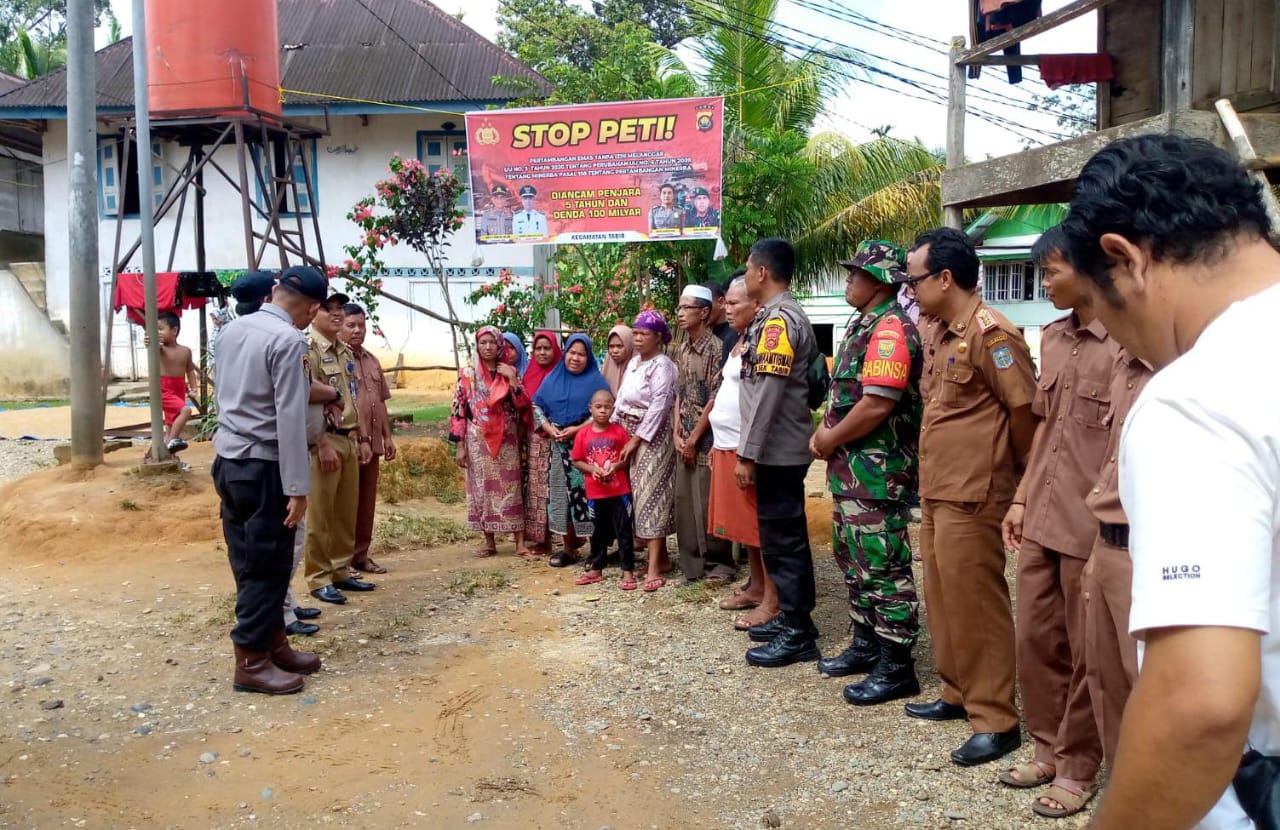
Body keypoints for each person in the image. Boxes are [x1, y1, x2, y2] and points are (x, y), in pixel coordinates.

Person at [1059, 135, 1280, 830]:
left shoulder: (1201, 394)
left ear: (1126, 259)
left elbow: (1201, 702)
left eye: (1105, 307)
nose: (1122, 340)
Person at [901, 227, 1039, 767]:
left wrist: (1018, 484)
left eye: (914, 279)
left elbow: (1025, 413)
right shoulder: (939, 331)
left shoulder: (993, 335)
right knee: (943, 595)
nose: (909, 290)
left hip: (975, 492)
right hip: (938, 489)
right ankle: (958, 691)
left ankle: (997, 719)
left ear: (945, 277)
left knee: (978, 604)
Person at [996, 226, 1115, 816]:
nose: (1044, 282)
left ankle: (1077, 765)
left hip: (1092, 525)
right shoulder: (1055, 337)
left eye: (1052, 271)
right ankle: (1046, 746)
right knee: (1035, 639)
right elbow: (1044, 427)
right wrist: (1020, 500)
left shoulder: (1123, 343)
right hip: (1042, 513)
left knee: (1090, 650)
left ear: (1089, 269)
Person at [811, 240, 924, 706]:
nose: (847, 280)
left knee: (882, 563)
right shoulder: (864, 323)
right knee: (853, 559)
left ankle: (897, 664)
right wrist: (826, 432)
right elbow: (845, 397)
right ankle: (866, 644)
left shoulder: (891, 329)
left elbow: (877, 402)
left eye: (855, 273)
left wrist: (829, 438)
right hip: (853, 471)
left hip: (877, 472)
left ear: (878, 280)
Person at [211, 265, 325, 694]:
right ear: (312, 309)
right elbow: (290, 417)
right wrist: (297, 487)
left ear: (275, 290)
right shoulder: (287, 340)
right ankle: (251, 660)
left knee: (247, 557)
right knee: (269, 563)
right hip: (264, 465)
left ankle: (274, 641)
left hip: (228, 459)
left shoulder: (232, 330)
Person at [736, 238, 821, 668]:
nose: (747, 275)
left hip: (778, 452)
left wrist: (747, 453)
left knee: (785, 542)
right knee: (779, 539)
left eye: (749, 268)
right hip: (775, 450)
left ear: (763, 272)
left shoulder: (778, 321)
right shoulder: (769, 318)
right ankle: (792, 618)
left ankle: (798, 630)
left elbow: (768, 393)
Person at [1081, 345, 1150, 772]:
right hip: (1106, 540)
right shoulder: (1124, 361)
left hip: (1147, 550)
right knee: (1104, 681)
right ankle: (1122, 786)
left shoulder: (1184, 365)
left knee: (1148, 684)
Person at [708, 277, 778, 628]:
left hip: (744, 446)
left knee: (758, 526)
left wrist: (746, 453)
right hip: (725, 443)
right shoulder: (738, 340)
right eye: (727, 303)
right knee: (744, 529)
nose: (727, 308)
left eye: (735, 303)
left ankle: (771, 598)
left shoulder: (765, 338)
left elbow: (764, 397)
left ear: (755, 305)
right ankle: (755, 586)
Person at [303, 287, 374, 605]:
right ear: (313, 313)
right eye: (328, 308)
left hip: (348, 438)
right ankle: (318, 577)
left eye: (340, 308)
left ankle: (340, 570)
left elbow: (352, 398)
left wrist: (360, 437)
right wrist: (321, 442)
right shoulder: (308, 349)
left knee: (346, 510)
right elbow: (305, 397)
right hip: (325, 440)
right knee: (321, 513)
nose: (336, 313)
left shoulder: (343, 351)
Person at [673, 284, 735, 583]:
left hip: (706, 438)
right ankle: (692, 566)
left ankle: (719, 565)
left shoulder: (717, 349)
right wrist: (676, 432)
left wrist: (695, 438)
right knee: (685, 503)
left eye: (686, 308)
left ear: (704, 312)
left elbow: (715, 397)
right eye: (679, 308)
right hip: (683, 435)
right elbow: (678, 393)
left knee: (709, 502)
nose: (680, 314)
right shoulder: (681, 347)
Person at [613, 311, 678, 592]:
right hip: (628, 431)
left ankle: (653, 568)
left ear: (658, 337)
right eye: (635, 333)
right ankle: (659, 560)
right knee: (635, 495)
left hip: (652, 437)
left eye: (643, 334)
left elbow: (660, 407)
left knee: (652, 496)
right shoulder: (634, 363)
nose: (637, 338)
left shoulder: (663, 366)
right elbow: (621, 398)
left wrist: (636, 440)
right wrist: (614, 431)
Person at [449, 326, 529, 557]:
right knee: (482, 488)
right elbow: (458, 410)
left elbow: (523, 405)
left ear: (499, 345)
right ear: (477, 345)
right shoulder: (467, 375)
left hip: (507, 438)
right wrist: (460, 445)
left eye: (492, 342)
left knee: (512, 488)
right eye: (483, 342)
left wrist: (512, 379)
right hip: (477, 438)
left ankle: (519, 543)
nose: (487, 347)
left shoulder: (509, 371)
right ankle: (489, 542)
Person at [533, 333, 610, 566]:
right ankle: (569, 549)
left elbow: (605, 410)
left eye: (581, 354)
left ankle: (597, 552)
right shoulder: (552, 379)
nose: (575, 358)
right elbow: (537, 405)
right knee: (559, 496)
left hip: (587, 449)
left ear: (588, 356)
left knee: (590, 498)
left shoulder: (596, 382)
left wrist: (577, 429)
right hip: (557, 448)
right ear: (565, 353)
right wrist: (548, 427)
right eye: (572, 353)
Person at [341, 303, 396, 576]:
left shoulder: (372, 360)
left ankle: (360, 555)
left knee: (366, 502)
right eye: (350, 325)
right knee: (345, 502)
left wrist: (387, 437)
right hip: (349, 442)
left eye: (361, 325)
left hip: (372, 443)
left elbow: (380, 402)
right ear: (339, 325)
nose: (357, 330)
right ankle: (340, 560)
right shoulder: (338, 362)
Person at [571, 389, 636, 590]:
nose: (602, 411)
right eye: (598, 407)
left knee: (624, 530)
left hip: (619, 492)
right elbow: (577, 460)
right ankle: (596, 568)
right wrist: (592, 469)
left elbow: (626, 460)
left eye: (607, 407)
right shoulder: (583, 434)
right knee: (596, 531)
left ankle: (628, 571)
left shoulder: (618, 432)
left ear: (613, 409)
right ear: (590, 408)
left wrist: (615, 467)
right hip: (595, 492)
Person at [520, 330, 561, 559]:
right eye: (538, 349)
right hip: (536, 438)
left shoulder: (562, 372)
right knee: (538, 490)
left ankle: (570, 538)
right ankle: (542, 539)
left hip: (560, 436)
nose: (543, 353)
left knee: (558, 487)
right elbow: (527, 404)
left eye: (547, 348)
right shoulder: (530, 374)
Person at [156, 311, 200, 455]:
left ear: (174, 330)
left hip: (179, 389)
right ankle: (173, 441)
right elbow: (151, 345)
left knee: (171, 425)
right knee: (186, 411)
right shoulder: (160, 349)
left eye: (161, 328)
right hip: (164, 389)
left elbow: (190, 371)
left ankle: (169, 457)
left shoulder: (185, 351)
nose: (158, 332)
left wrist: (194, 388)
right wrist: (149, 341)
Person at [706, 278, 738, 362]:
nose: (703, 311)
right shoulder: (705, 334)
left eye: (707, 305)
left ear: (721, 302)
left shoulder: (734, 335)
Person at [601, 324, 634, 395]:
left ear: (629, 346)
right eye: (611, 346)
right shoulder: (608, 363)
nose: (615, 351)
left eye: (619, 346)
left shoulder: (638, 366)